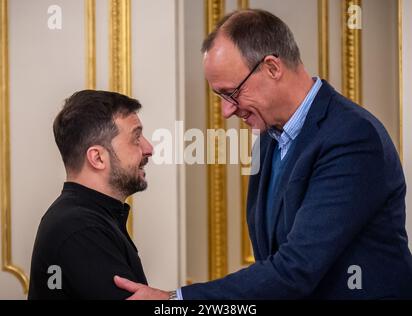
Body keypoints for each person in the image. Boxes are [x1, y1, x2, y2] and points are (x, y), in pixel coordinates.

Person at [114, 9, 412, 299]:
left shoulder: (351, 137)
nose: (227, 110)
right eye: (220, 97)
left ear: (272, 67)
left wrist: (175, 301)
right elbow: (271, 259)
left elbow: (296, 269)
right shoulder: (269, 139)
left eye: (232, 93)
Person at [28, 90, 153, 299]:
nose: (149, 148)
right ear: (97, 158)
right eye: (136, 138)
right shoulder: (82, 229)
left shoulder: (87, 219)